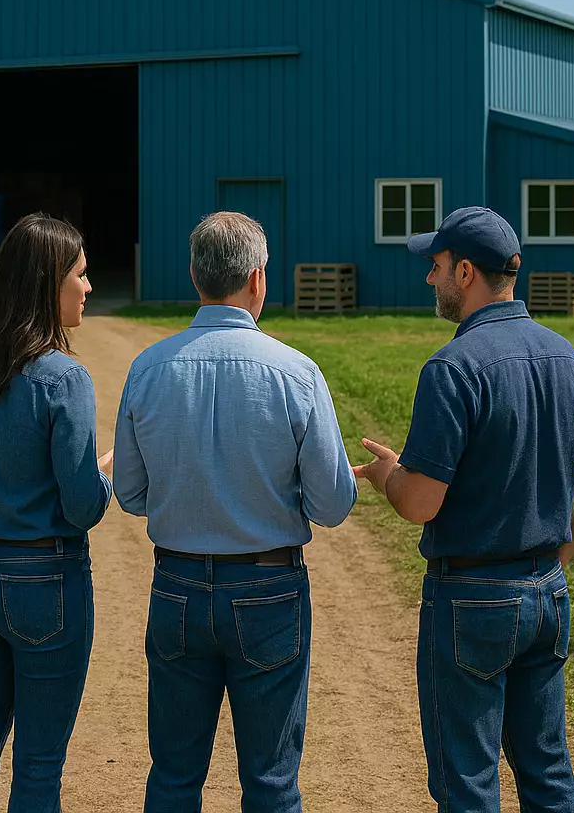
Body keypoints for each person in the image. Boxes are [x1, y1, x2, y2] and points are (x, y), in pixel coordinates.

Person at [351, 205, 574, 813]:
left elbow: (422, 502)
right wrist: (564, 552)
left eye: (435, 266)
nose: (429, 278)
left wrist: (387, 477)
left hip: (471, 601)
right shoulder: (566, 357)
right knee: (547, 769)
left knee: (468, 781)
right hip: (545, 593)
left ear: (464, 274)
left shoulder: (453, 369)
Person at [114, 211, 359, 812]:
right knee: (271, 781)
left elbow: (131, 493)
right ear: (256, 278)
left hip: (176, 586)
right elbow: (330, 506)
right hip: (269, 586)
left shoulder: (148, 368)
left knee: (173, 775)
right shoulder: (296, 373)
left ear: (197, 276)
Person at [0, 212, 115, 813]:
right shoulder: (65, 379)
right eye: (81, 274)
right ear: (49, 282)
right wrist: (105, 474)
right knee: (38, 767)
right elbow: (82, 506)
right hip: (46, 582)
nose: (89, 287)